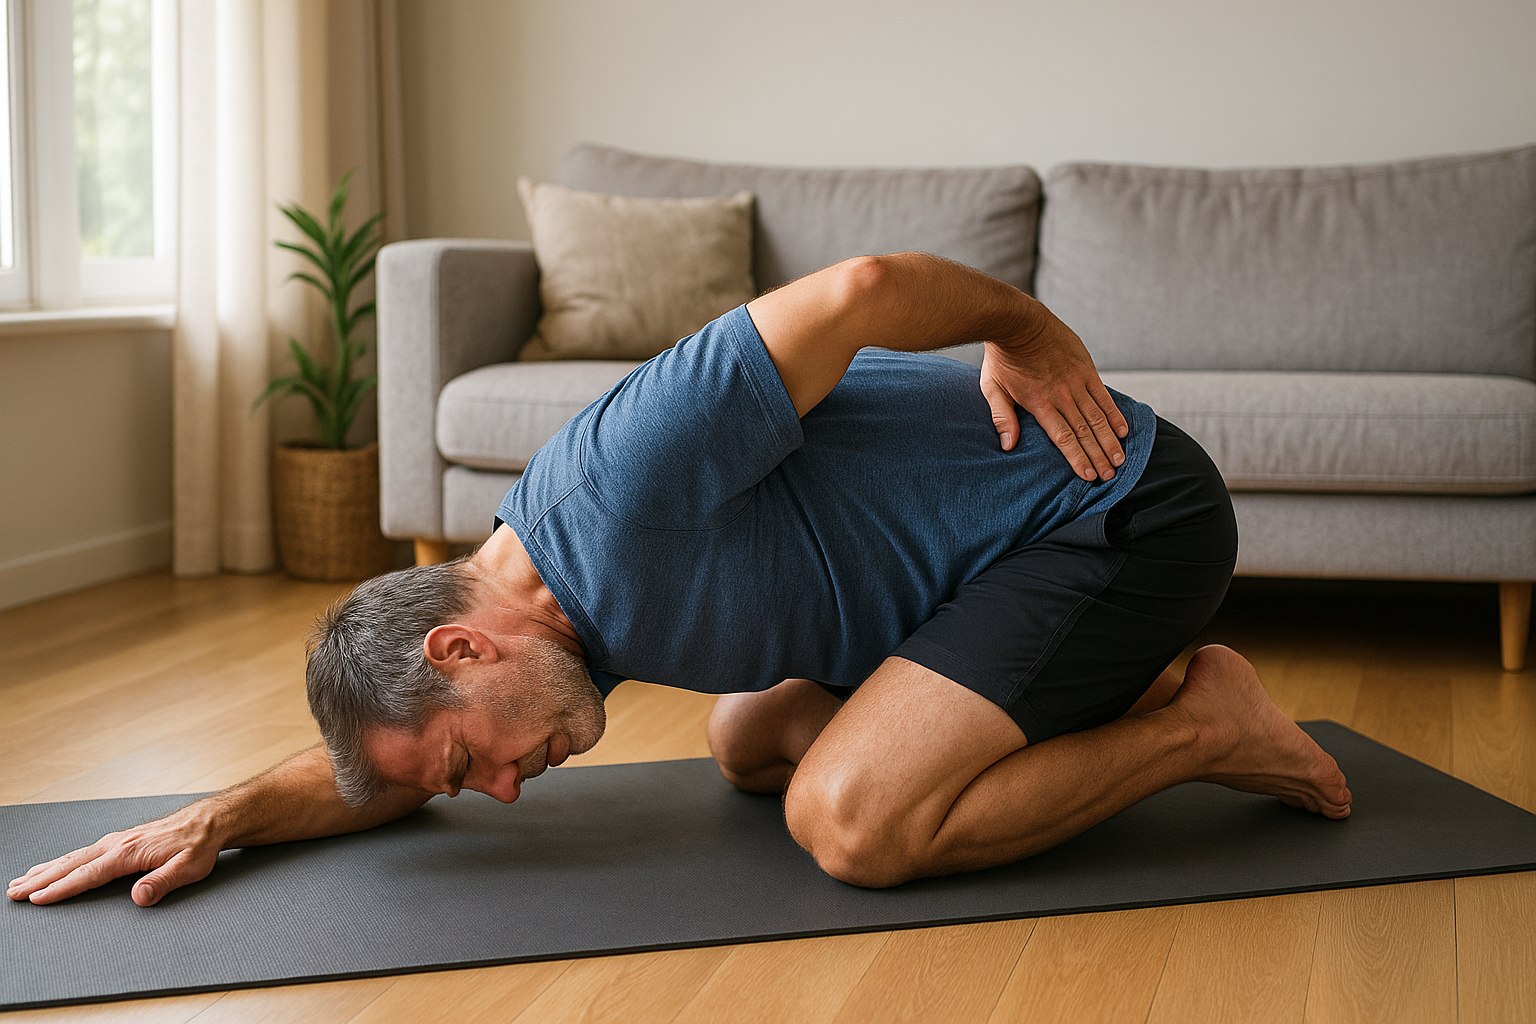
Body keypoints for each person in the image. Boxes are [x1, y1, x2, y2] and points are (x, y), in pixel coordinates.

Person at [9, 253, 1351, 908]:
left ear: (463, 653)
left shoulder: (622, 482)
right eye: (465, 787)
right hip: (981, 562)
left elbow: (866, 286)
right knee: (745, 741)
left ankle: (1204, 725)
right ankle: (1020, 710)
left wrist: (1030, 328)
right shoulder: (548, 618)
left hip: (1116, 513)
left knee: (850, 827)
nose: (499, 791)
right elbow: (397, 769)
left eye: (471, 763)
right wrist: (221, 814)